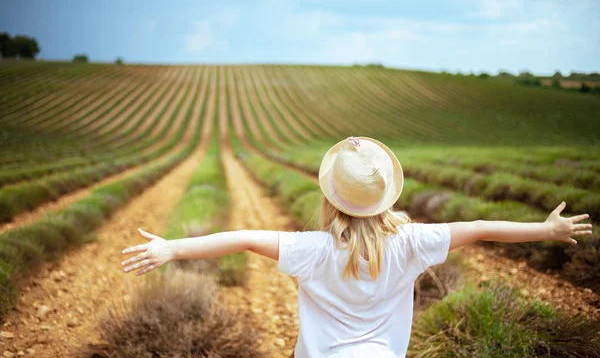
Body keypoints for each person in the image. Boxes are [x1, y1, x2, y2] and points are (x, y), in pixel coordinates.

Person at [121, 136, 593, 358]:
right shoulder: (412, 241)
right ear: (389, 193)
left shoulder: (314, 249)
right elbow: (481, 226)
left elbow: (243, 237)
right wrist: (545, 231)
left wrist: (173, 249)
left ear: (330, 198)